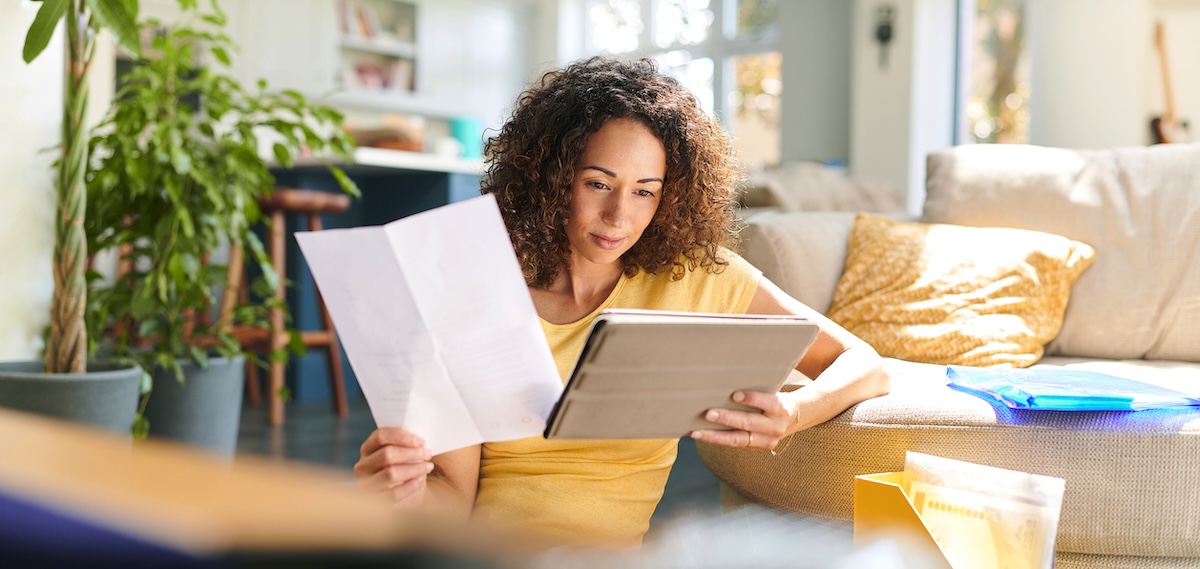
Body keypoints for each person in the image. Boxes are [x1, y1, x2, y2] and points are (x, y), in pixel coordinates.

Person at [354, 56, 889, 548]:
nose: (619, 217)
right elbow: (452, 501)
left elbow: (863, 364)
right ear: (552, 176)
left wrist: (793, 412)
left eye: (644, 191)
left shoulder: (696, 275)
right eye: (598, 183)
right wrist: (404, 491)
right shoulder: (476, 288)